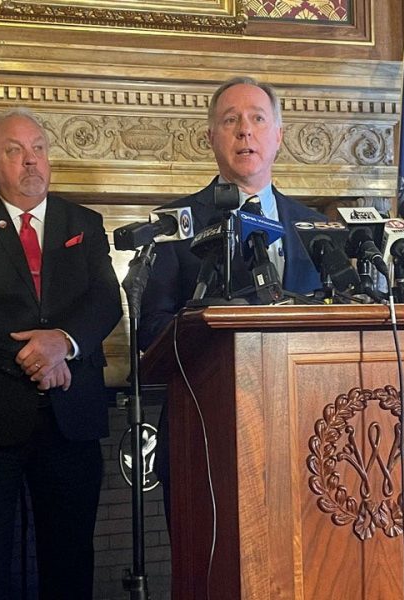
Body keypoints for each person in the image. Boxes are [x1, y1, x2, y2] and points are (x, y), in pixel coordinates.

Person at [0, 107, 123, 599]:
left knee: (70, 562)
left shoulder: (83, 222)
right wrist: (33, 355)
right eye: (14, 150)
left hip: (71, 416)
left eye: (38, 149)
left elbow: (105, 299)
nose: (30, 161)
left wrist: (63, 343)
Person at [136, 76, 326, 516]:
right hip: (203, 427)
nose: (245, 131)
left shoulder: (314, 225)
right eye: (230, 120)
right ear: (210, 138)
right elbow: (151, 327)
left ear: (278, 136)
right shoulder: (174, 223)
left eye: (258, 119)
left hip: (304, 426)